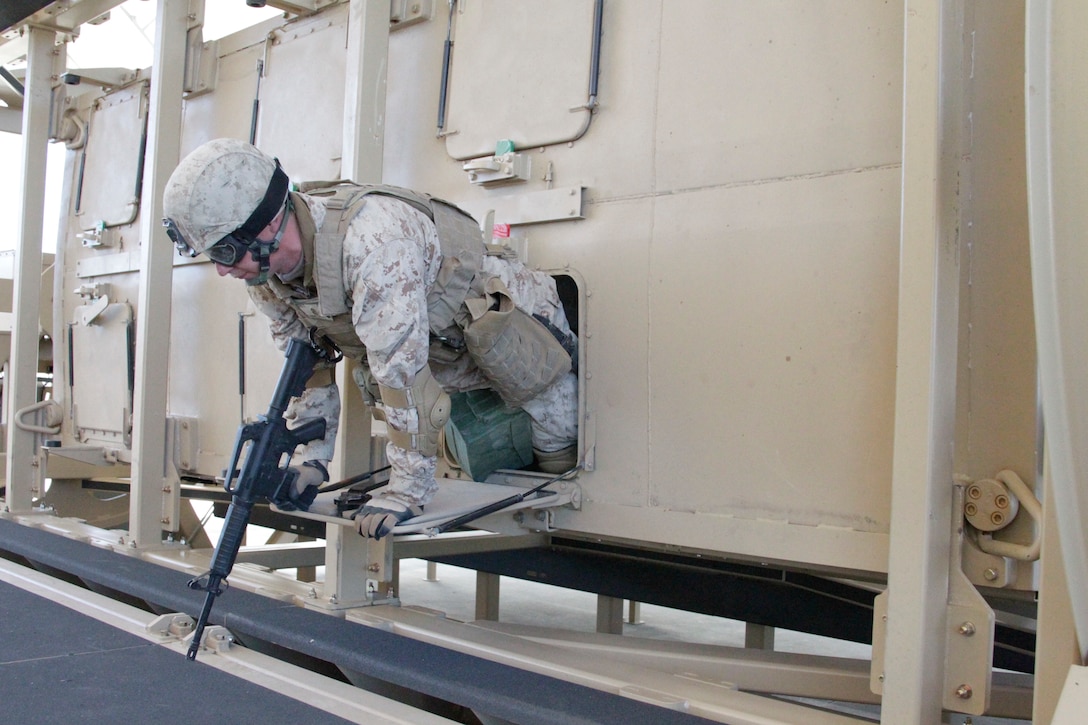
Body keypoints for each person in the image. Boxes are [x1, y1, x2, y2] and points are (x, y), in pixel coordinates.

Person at [162, 138, 578, 539]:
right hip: (447, 355)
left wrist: (406, 491)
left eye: (225, 252)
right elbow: (309, 371)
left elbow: (402, 380)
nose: (221, 269)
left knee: (556, 448)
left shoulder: (372, 244)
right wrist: (312, 461)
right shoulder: (266, 275)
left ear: (269, 223)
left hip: (512, 335)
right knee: (479, 455)